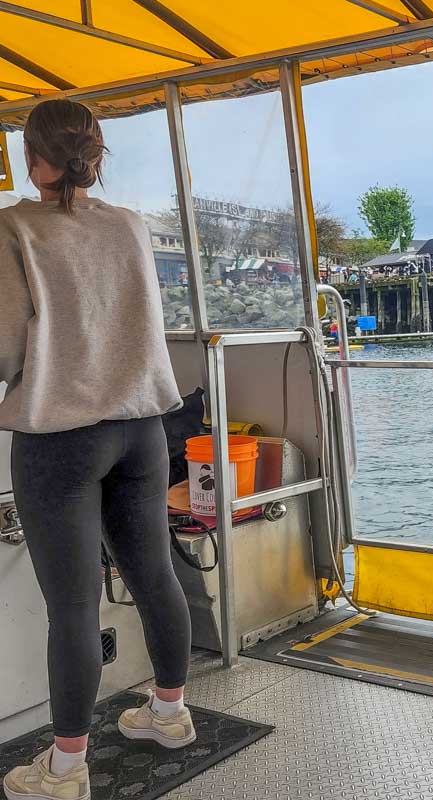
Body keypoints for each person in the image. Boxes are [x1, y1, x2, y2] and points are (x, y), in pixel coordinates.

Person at [0, 99, 195, 800]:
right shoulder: (131, 226)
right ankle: (169, 715)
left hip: (60, 438)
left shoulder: (14, 227)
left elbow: (5, 348)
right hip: (142, 428)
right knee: (154, 575)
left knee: (74, 607)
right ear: (96, 154)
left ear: (32, 157)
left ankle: (64, 771)